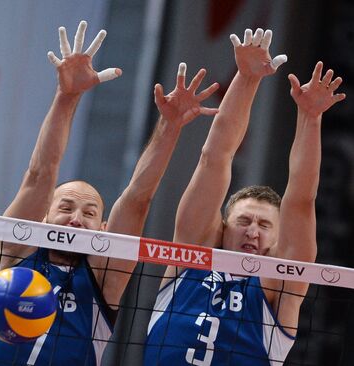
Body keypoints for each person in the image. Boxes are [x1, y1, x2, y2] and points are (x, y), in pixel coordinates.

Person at [0, 21, 219, 366]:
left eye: (88, 214)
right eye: (66, 207)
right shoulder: (12, 253)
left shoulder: (103, 280)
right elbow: (40, 176)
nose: (75, 219)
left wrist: (170, 126)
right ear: (44, 218)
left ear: (102, 230)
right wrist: (67, 96)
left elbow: (137, 199)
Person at [144, 28, 346, 365]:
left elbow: (301, 200)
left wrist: (310, 118)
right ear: (222, 228)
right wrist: (247, 77)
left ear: (279, 238)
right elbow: (215, 158)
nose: (253, 230)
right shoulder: (189, 258)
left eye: (265, 224)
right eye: (244, 220)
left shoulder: (278, 287)